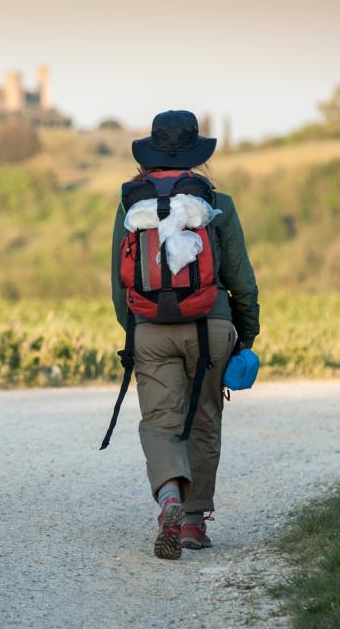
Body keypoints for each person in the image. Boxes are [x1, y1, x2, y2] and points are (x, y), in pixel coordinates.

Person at [109, 110, 260, 560]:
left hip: (150, 329)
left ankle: (169, 496)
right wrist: (245, 334)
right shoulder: (219, 203)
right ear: (196, 156)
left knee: (160, 422)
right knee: (204, 419)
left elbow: (119, 285)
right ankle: (193, 523)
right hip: (211, 325)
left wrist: (135, 331)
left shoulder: (131, 207)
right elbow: (241, 279)